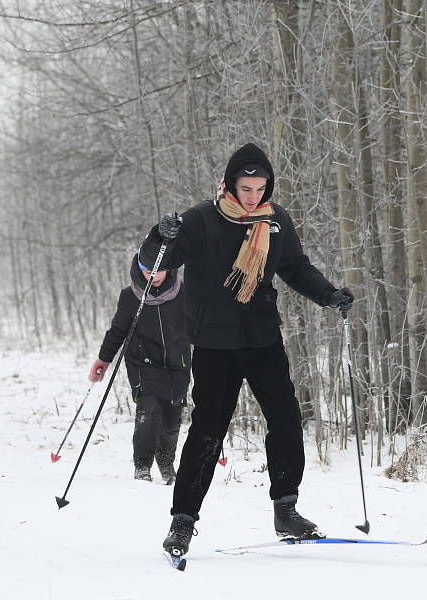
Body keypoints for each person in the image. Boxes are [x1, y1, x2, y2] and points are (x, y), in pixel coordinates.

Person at [140, 143, 354, 558]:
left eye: (260, 188)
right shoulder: (201, 219)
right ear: (229, 184)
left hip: (262, 340)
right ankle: (183, 522)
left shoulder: (275, 222)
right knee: (208, 431)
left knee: (287, 419)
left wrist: (329, 295)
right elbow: (158, 262)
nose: (253, 195)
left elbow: (295, 267)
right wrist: (157, 235)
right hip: (215, 345)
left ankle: (286, 509)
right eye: (245, 187)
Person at [88, 253, 190, 485]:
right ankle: (142, 466)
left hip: (177, 363)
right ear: (139, 269)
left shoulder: (183, 292)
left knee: (172, 417)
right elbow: (117, 331)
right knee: (149, 409)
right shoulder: (131, 296)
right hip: (143, 361)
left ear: (169, 268)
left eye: (159, 270)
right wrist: (103, 361)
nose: (154, 276)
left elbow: (200, 323)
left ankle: (166, 464)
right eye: (148, 271)